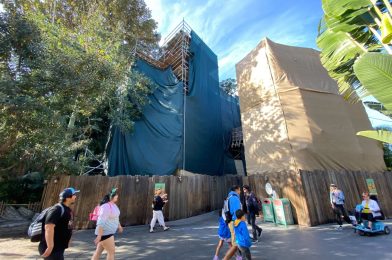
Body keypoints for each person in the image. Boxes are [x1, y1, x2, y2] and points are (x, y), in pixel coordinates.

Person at [38, 187, 79, 260]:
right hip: (52, 248)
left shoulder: (67, 209)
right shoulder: (57, 209)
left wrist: (68, 240)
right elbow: (48, 227)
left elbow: (67, 225)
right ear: (67, 197)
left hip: (59, 247)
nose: (76, 196)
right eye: (74, 194)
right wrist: (50, 246)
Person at [92, 188, 123, 260]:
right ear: (111, 197)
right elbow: (100, 222)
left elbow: (116, 217)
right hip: (105, 234)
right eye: (116, 196)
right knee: (111, 252)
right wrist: (99, 236)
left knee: (98, 252)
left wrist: (119, 226)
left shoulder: (114, 205)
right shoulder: (105, 207)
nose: (117, 197)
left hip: (108, 233)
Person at [223, 185, 242, 260]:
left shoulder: (229, 197)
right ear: (236, 190)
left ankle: (242, 257)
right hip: (235, 222)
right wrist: (239, 222)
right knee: (235, 244)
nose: (240, 192)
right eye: (239, 190)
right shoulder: (234, 198)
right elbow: (237, 212)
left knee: (238, 242)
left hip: (231, 222)